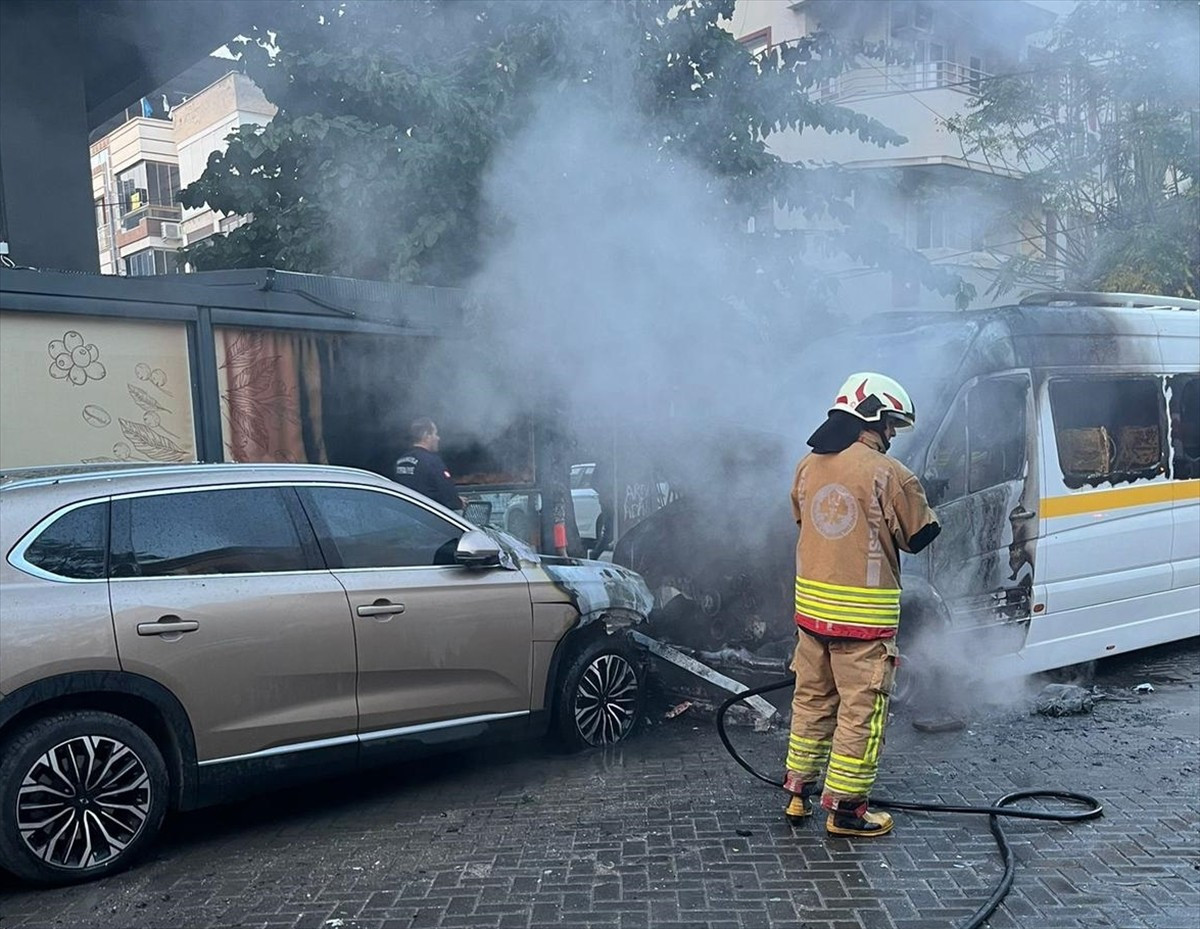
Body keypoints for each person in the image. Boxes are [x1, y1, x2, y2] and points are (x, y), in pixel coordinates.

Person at [783, 373, 941, 838]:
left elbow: (801, 518)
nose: (891, 434)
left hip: (811, 618)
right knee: (861, 714)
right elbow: (919, 536)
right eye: (890, 423)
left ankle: (797, 794)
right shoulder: (889, 473)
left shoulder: (806, 466)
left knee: (810, 701)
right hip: (863, 625)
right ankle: (848, 812)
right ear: (870, 415)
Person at [393, 417, 463, 511]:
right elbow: (449, 498)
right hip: (429, 518)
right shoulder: (432, 461)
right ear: (426, 435)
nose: (438, 438)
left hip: (407, 514)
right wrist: (459, 502)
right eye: (435, 434)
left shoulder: (400, 461)